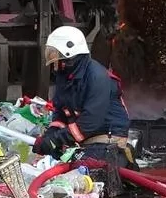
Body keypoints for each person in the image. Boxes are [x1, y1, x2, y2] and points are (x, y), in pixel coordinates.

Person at [32, 26, 133, 171]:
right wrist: (51, 135)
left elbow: (90, 122)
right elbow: (60, 111)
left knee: (81, 171)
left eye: (57, 56)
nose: (54, 63)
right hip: (86, 138)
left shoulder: (97, 77)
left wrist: (57, 140)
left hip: (107, 137)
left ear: (71, 57)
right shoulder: (65, 76)